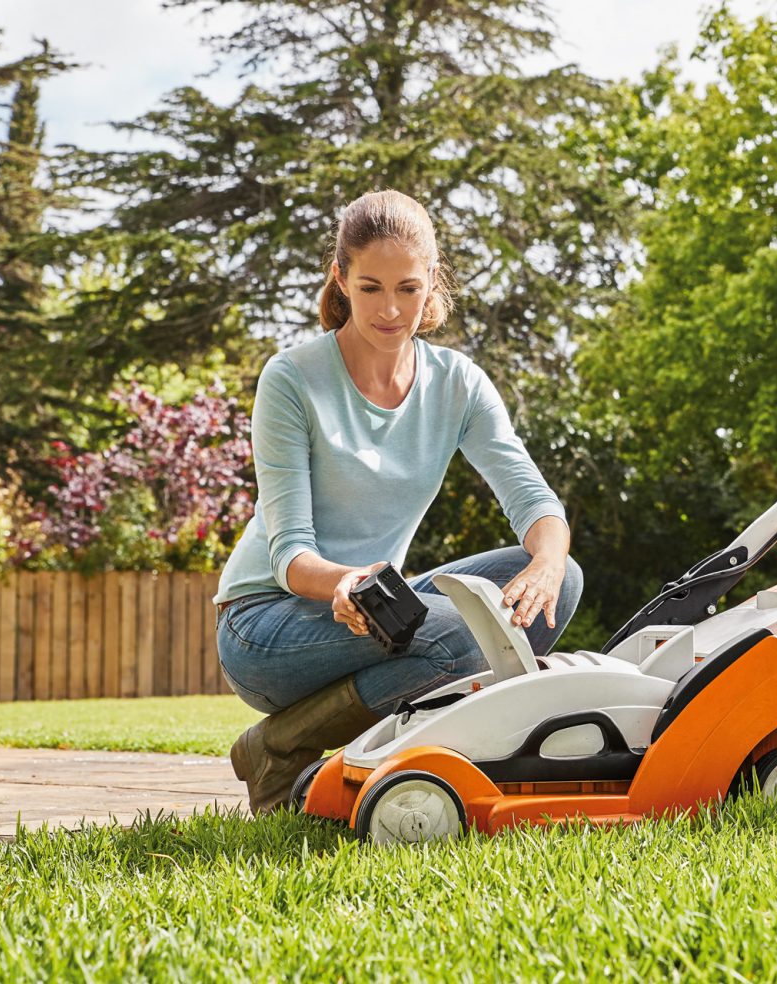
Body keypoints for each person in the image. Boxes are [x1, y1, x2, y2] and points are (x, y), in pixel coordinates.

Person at [213, 189, 583, 814]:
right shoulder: (294, 378)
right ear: (341, 280)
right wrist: (345, 582)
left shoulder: (457, 383)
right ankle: (286, 743)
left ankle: (282, 749)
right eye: (370, 287)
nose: (390, 310)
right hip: (265, 625)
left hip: (383, 608)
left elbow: (532, 499)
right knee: (460, 629)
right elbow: (289, 554)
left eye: (408, 289)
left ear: (432, 281)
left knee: (559, 588)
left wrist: (545, 560)